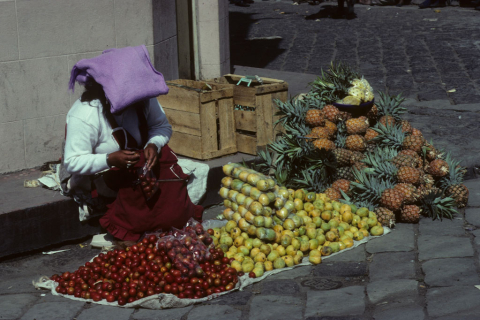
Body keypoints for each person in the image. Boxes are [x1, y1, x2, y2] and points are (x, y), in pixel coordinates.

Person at [62, 45, 203, 245]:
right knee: (138, 212)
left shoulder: (144, 98)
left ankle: (164, 221)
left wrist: (154, 143)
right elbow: (73, 162)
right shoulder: (85, 114)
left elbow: (161, 126)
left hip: (138, 168)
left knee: (169, 169)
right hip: (104, 176)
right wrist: (109, 159)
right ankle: (133, 227)